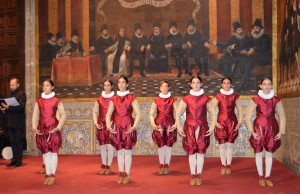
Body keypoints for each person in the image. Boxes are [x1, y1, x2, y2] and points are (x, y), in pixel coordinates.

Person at [176, 75, 216, 186]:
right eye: (193, 82)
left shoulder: (206, 99)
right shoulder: (186, 99)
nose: (196, 84)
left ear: (201, 84)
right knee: (192, 152)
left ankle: (199, 175)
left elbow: (213, 114)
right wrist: (179, 127)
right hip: (189, 128)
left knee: (201, 152)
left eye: (198, 82)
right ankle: (193, 175)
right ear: (190, 84)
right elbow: (178, 114)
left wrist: (212, 127)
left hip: (202, 128)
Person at [245, 78, 286, 187]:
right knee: (258, 152)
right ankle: (260, 176)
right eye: (264, 84)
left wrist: (281, 131)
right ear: (260, 86)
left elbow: (282, 116)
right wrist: (251, 131)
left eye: (269, 84)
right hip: (258, 128)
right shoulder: (255, 99)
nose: (267, 86)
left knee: (269, 153)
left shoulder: (276, 100)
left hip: (272, 129)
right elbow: (248, 116)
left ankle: (267, 176)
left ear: (271, 86)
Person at [106, 75, 141, 184]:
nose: (121, 85)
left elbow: (138, 113)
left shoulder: (132, 98)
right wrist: (108, 125)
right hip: (117, 128)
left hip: (128, 128)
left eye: (123, 82)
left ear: (127, 84)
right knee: (119, 152)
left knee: (127, 151)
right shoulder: (113, 99)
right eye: (119, 83)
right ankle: (121, 173)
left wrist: (134, 126)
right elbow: (108, 114)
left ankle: (127, 174)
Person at [32, 79, 66, 186]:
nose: (45, 87)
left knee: (53, 152)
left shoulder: (57, 101)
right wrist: (34, 128)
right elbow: (35, 116)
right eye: (43, 86)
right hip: (42, 130)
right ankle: (47, 174)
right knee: (46, 153)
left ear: (52, 87)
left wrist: (58, 127)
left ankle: (52, 175)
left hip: (53, 129)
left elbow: (63, 115)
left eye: (47, 85)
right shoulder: (39, 101)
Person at [211, 77, 243, 174]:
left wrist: (239, 122)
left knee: (230, 144)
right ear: (221, 85)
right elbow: (211, 110)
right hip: (221, 122)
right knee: (222, 144)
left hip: (232, 122)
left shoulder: (235, 97)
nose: (226, 85)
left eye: (228, 83)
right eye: (224, 83)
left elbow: (240, 110)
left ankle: (228, 164)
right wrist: (214, 122)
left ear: (231, 85)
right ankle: (223, 164)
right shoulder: (218, 97)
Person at [212, 22, 253, 91]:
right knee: (225, 60)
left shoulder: (246, 38)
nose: (241, 31)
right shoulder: (233, 38)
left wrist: (243, 49)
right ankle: (227, 80)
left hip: (244, 56)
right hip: (235, 56)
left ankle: (244, 83)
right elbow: (226, 44)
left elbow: (249, 46)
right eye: (239, 30)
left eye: (241, 29)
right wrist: (217, 43)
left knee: (243, 63)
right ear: (236, 31)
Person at [149, 80, 177, 175]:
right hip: (159, 126)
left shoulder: (173, 100)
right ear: (160, 88)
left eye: (166, 86)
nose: (164, 88)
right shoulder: (156, 101)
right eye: (162, 86)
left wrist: (176, 125)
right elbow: (151, 114)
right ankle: (161, 165)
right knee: (161, 146)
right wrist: (154, 125)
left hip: (170, 126)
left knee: (168, 146)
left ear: (168, 88)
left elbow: (178, 113)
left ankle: (167, 165)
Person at [1, 78, 26, 167]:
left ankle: (19, 160)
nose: (11, 87)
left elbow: (21, 107)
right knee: (12, 142)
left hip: (18, 122)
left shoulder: (22, 94)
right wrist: (4, 109)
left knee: (18, 141)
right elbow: (8, 108)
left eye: (13, 85)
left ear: (18, 85)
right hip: (10, 122)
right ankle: (14, 159)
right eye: (10, 85)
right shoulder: (8, 95)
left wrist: (9, 108)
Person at [93, 79, 115, 175]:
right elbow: (94, 112)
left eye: (108, 85)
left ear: (112, 87)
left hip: (110, 124)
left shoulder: (115, 99)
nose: (106, 87)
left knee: (109, 146)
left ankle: (108, 166)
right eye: (105, 85)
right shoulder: (99, 99)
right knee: (102, 146)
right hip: (101, 124)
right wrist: (95, 122)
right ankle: (103, 165)